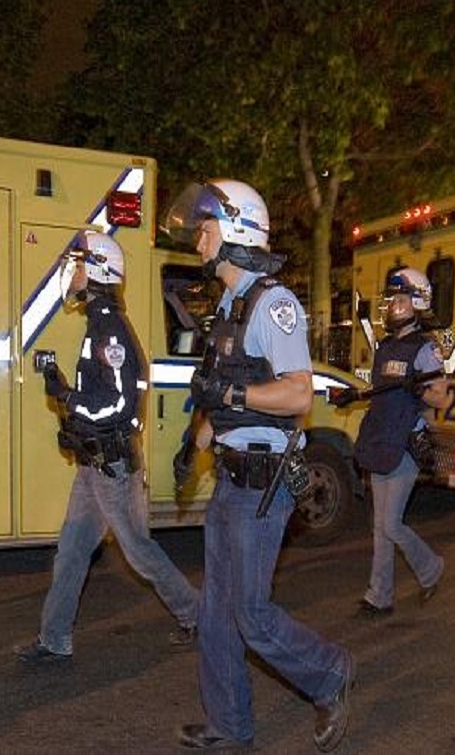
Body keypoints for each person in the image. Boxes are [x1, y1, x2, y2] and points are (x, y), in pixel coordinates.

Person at [162, 180, 353, 753]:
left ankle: (330, 673)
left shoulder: (275, 304)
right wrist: (194, 447)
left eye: (205, 230)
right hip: (230, 477)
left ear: (236, 232)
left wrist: (236, 395)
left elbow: (298, 394)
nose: (198, 241)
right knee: (216, 613)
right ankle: (229, 724)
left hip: (265, 483)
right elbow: (220, 399)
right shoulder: (228, 306)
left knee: (250, 613)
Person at [16, 230, 200, 664]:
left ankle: (199, 616)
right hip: (93, 466)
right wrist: (73, 412)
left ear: (97, 272)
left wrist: (68, 398)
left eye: (79, 265)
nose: (73, 273)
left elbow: (119, 404)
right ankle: (54, 639)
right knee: (72, 550)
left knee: (139, 552)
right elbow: (103, 397)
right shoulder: (98, 324)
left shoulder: (109, 329)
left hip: (113, 468)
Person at [337, 267, 452, 617]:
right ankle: (379, 596)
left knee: (390, 524)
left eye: (400, 300)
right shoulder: (385, 346)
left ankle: (431, 568)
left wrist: (419, 388)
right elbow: (382, 390)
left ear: (418, 303)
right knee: (380, 527)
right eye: (391, 300)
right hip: (381, 439)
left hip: (404, 444)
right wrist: (354, 395)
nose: (392, 306)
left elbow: (441, 396)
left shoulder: (425, 349)